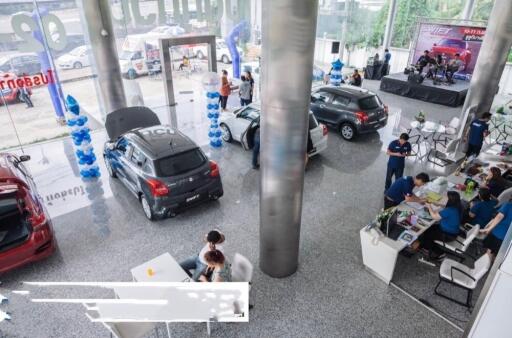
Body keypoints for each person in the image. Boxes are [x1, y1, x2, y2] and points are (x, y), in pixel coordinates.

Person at [422, 191, 463, 259]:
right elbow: (446, 207)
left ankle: (439, 253)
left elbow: (435, 217)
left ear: (450, 201)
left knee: (427, 235)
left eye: (446, 197)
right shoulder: (458, 206)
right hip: (453, 231)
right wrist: (438, 204)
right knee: (429, 228)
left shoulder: (449, 210)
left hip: (448, 235)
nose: (444, 198)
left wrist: (429, 207)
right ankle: (425, 243)